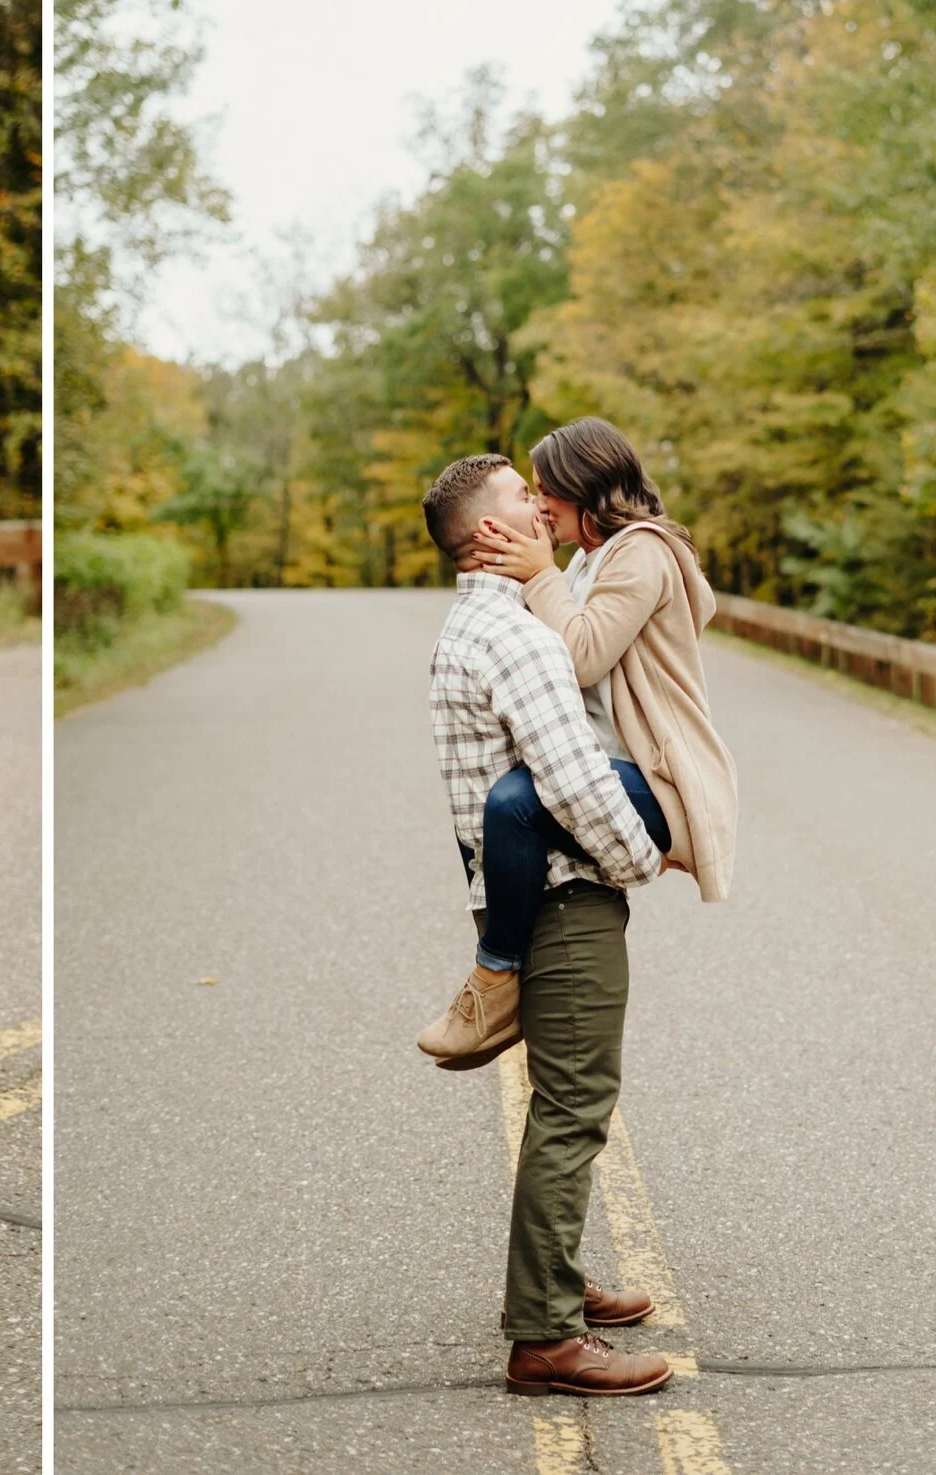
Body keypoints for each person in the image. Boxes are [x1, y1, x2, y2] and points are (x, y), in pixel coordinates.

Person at [411, 452, 673, 1398]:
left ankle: (553, 1281)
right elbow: (571, 780)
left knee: (558, 1099)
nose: (543, 507)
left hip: (525, 892)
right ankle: (546, 1339)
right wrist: (649, 856)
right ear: (488, 532)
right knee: (573, 1106)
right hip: (567, 893)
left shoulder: (470, 624)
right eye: (525, 497)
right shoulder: (520, 639)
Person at [431, 416, 740, 1067]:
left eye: (548, 489)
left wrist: (541, 572)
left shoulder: (642, 551)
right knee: (510, 798)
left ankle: (495, 979)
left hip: (658, 778)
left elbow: (581, 656)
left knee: (515, 801)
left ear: (585, 487)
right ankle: (514, 968)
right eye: (531, 491)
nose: (540, 503)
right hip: (616, 766)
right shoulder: (587, 558)